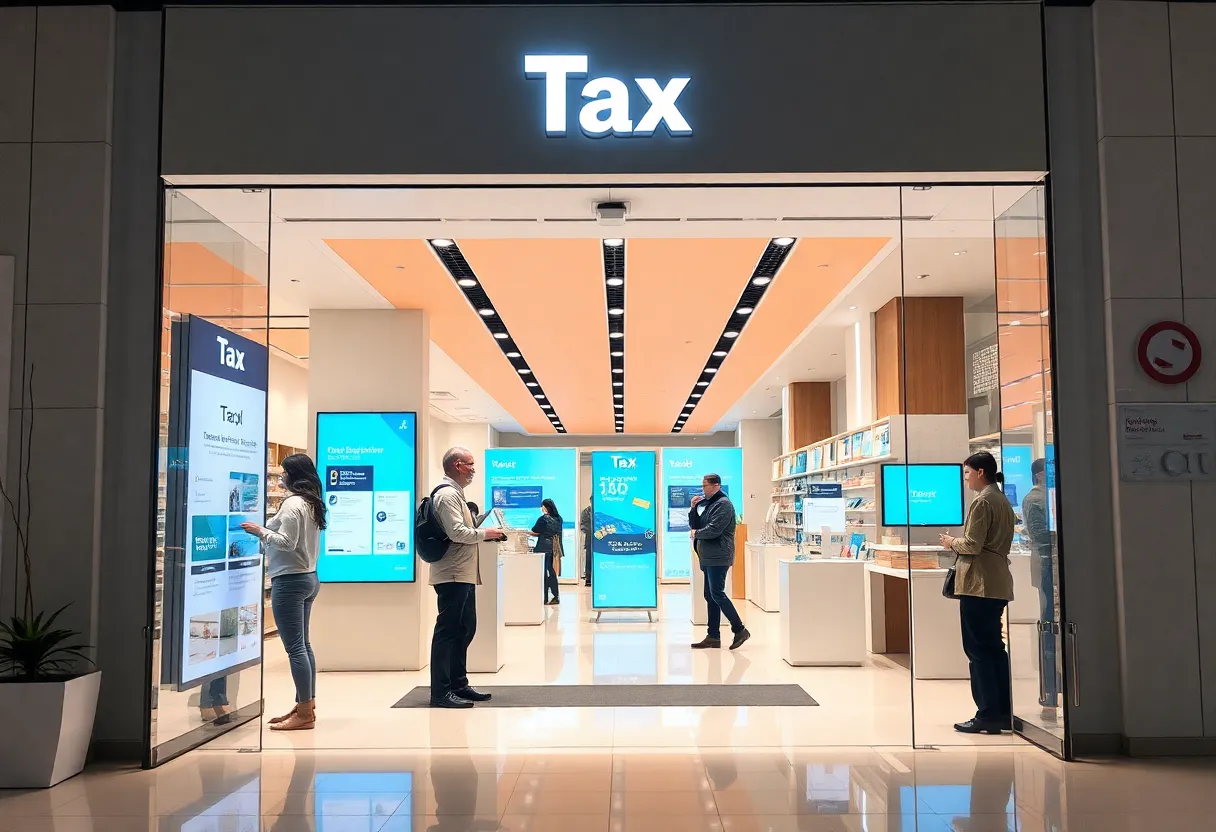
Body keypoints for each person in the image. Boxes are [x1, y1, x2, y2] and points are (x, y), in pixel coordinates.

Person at [240, 453, 325, 731]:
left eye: (284, 474)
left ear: (294, 476)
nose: (281, 479)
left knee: (295, 648)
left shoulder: (293, 504)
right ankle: (305, 705)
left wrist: (259, 531)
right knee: (304, 645)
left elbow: (287, 542)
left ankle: (304, 714)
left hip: (290, 581)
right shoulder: (313, 503)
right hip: (309, 577)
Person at [939, 451, 1016, 734]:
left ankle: (987, 714)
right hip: (996, 582)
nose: (966, 479)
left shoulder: (983, 501)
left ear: (981, 472)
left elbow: (972, 544)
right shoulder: (1002, 500)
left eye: (967, 473)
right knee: (994, 648)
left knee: (978, 650)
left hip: (978, 585)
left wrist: (951, 542)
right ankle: (1003, 711)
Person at [429, 447, 506, 709]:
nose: (473, 469)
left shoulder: (456, 494)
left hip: (463, 572)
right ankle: (440, 692)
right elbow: (457, 533)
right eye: (470, 464)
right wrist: (487, 533)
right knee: (448, 631)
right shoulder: (447, 495)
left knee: (464, 628)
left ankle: (458, 684)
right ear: (457, 465)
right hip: (452, 573)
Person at [689, 473, 750, 650]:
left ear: (716, 486)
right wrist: (693, 508)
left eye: (705, 486)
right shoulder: (710, 504)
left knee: (717, 594)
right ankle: (713, 636)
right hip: (708, 556)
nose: (703, 489)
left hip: (718, 556)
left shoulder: (723, 504)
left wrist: (697, 534)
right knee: (710, 596)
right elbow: (696, 525)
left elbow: (714, 530)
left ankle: (739, 629)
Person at [1023, 457, 1059, 716]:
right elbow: (1041, 538)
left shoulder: (1052, 497)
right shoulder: (1034, 499)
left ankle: (1056, 686)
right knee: (1048, 626)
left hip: (1055, 567)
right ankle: (1050, 691)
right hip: (1048, 568)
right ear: (1039, 475)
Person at [529, 498, 564, 605]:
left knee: (543, 573)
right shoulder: (559, 518)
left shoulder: (543, 519)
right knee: (551, 572)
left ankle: (544, 597)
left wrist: (529, 533)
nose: (541, 508)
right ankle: (555, 595)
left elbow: (535, 530)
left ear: (546, 507)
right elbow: (554, 532)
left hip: (543, 547)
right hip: (554, 548)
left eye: (542, 506)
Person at [580, 504, 593, 587]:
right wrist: (593, 531)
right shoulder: (586, 512)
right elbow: (583, 526)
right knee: (589, 559)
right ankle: (588, 578)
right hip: (590, 538)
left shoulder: (602, 509)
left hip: (602, 539)